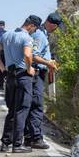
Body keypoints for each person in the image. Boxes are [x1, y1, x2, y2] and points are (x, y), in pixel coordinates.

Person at [0, 15, 42, 153]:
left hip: (10, 77)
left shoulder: (7, 35)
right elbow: (27, 54)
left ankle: (5, 143)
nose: (34, 32)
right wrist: (29, 67)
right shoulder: (27, 38)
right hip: (23, 77)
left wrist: (3, 69)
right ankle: (17, 145)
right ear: (31, 25)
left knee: (12, 110)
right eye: (35, 29)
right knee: (22, 110)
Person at [24, 13, 62, 149]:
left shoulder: (41, 34)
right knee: (36, 106)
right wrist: (48, 64)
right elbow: (33, 56)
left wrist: (48, 62)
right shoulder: (40, 35)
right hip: (36, 74)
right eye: (56, 27)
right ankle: (35, 138)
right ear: (52, 24)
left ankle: (29, 137)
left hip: (37, 72)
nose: (56, 30)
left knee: (32, 105)